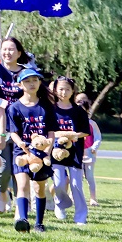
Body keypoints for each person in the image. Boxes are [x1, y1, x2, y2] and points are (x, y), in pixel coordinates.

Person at [0, 36, 29, 212]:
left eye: (11, 49)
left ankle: (21, 202)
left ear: (19, 53)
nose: (7, 52)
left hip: (21, 128)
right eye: (4, 49)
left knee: (20, 166)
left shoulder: (25, 73)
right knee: (2, 167)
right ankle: (2, 193)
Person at [5, 66, 53, 233]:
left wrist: (48, 149)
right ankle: (23, 220)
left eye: (35, 80)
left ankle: (39, 223)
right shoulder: (14, 108)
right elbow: (13, 132)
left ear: (40, 82)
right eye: (27, 81)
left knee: (39, 188)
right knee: (22, 184)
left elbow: (51, 131)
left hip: (41, 153)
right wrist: (20, 144)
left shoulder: (46, 106)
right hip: (22, 153)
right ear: (19, 85)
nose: (32, 84)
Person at [49, 76, 90, 224]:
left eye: (67, 89)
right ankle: (60, 204)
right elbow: (47, 130)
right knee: (59, 183)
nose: (64, 92)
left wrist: (73, 135)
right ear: (55, 90)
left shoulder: (79, 111)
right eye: (61, 89)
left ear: (73, 91)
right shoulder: (51, 109)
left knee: (76, 185)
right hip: (56, 153)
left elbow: (85, 131)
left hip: (75, 153)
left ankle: (81, 217)